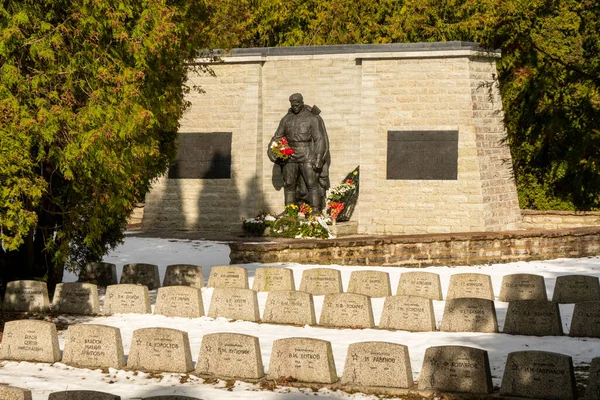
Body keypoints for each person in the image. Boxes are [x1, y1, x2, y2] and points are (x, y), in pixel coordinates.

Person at [268, 93, 329, 211]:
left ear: (302, 103)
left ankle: (315, 211)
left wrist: (319, 158)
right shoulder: (286, 119)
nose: (295, 107)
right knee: (289, 184)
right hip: (290, 155)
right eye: (293, 105)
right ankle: (289, 212)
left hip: (306, 153)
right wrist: (271, 151)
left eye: (297, 104)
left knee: (312, 184)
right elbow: (277, 137)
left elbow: (319, 139)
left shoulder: (312, 118)